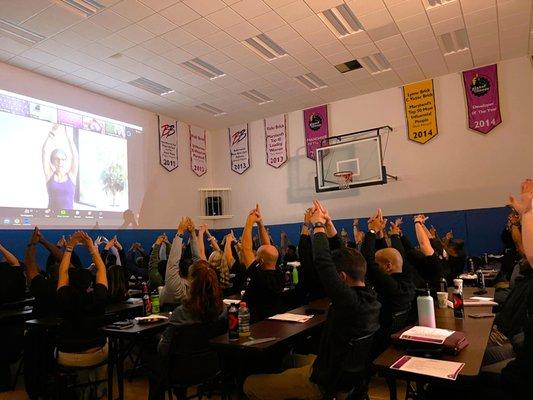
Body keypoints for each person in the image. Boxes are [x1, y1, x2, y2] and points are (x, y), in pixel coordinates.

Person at [244, 200, 381, 400]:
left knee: (249, 384)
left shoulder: (346, 301)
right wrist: (329, 225)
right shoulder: (370, 297)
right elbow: (348, 258)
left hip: (322, 382)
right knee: (287, 360)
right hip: (340, 371)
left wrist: (317, 226)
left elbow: (323, 261)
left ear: (341, 278)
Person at [148, 261, 226, 400]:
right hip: (213, 365)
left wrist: (160, 338)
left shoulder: (181, 313)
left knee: (154, 366)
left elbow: (164, 349)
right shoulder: (223, 310)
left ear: (192, 283)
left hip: (181, 371)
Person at [54, 230, 108, 399]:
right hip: (95, 353)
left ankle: (82, 387)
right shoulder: (98, 297)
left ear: (69, 283)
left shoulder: (63, 297)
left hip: (66, 355)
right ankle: (99, 385)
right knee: (109, 343)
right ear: (90, 284)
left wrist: (69, 248)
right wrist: (92, 248)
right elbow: (101, 270)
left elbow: (62, 272)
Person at [361, 212, 415, 352]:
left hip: (378, 344)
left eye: (378, 267)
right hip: (391, 341)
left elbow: (367, 260)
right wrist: (380, 236)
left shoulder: (391, 286)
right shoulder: (407, 280)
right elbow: (387, 257)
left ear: (388, 267)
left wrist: (372, 231)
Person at [240, 204, 284, 322]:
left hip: (256, 323)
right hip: (273, 320)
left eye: (257, 256)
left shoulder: (259, 275)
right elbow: (267, 246)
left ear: (261, 261)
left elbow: (246, 249)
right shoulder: (279, 273)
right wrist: (260, 223)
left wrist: (249, 222)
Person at [149, 219, 191, 310]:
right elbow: (172, 261)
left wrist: (157, 245)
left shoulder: (159, 280)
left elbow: (168, 263)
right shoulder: (193, 288)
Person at [41, 123, 78, 210]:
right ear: (52, 161)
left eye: (62, 159)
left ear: (65, 161)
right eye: (56, 159)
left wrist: (68, 136)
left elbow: (75, 156)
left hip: (69, 220)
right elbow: (45, 151)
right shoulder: (49, 175)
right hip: (51, 218)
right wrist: (52, 133)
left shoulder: (72, 176)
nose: (60, 161)